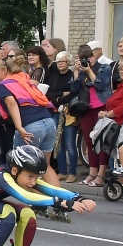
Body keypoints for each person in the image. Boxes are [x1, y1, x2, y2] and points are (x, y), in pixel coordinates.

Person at [0, 53, 59, 186]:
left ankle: (30, 198)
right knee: (45, 165)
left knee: (22, 168)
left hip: (31, 125)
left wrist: (19, 127)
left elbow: (12, 104)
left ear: (5, 70)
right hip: (48, 121)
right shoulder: (24, 79)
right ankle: (60, 197)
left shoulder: (3, 86)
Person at [74, 45, 113, 186]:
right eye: (84, 58)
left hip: (101, 107)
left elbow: (101, 85)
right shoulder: (81, 70)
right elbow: (74, 88)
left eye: (90, 56)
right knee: (89, 141)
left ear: (94, 56)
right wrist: (76, 71)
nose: (88, 60)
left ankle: (101, 175)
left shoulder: (104, 68)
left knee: (101, 140)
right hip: (86, 108)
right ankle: (92, 172)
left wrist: (89, 71)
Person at [44, 51, 78, 181]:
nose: (60, 64)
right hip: (55, 111)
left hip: (69, 113)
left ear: (68, 62)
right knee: (57, 143)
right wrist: (61, 95)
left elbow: (73, 93)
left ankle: (72, 172)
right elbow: (48, 93)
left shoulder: (71, 76)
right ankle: (62, 171)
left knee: (69, 143)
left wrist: (58, 98)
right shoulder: (54, 76)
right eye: (58, 62)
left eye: (62, 61)